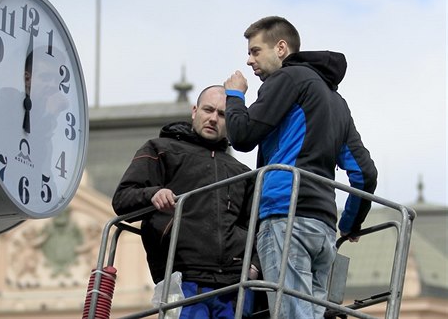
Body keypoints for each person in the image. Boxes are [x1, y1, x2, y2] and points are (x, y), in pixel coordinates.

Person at [223, 16, 378, 318]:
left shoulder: (286, 79)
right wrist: (349, 223)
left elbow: (242, 136)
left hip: (285, 215)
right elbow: (364, 173)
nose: (249, 60)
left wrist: (235, 96)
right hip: (322, 227)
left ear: (281, 48)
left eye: (255, 51)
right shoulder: (337, 102)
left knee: (291, 313)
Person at [112, 85, 264, 319]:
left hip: (235, 283)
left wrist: (253, 265)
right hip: (183, 276)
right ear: (195, 111)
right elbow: (122, 198)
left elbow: (257, 225)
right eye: (208, 110)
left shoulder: (242, 172)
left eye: (222, 114)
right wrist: (153, 194)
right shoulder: (161, 149)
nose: (213, 118)